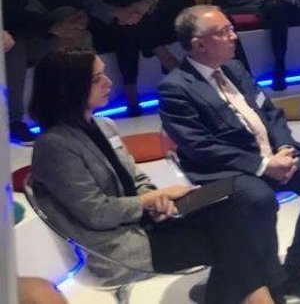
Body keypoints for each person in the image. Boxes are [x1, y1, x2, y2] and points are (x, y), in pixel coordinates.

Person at [28, 47, 275, 304]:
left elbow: (136, 179)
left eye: (104, 74)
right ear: (68, 89)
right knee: (234, 241)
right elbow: (95, 213)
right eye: (96, 78)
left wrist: (157, 201)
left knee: (233, 207)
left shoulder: (104, 125)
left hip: (143, 222)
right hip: (113, 247)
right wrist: (149, 200)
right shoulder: (55, 146)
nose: (109, 82)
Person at [158, 6, 300, 302]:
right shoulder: (175, 88)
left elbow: (271, 112)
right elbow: (200, 146)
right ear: (198, 44)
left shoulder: (235, 69)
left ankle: (296, 266)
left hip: (271, 155)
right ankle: (271, 282)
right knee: (259, 199)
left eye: (231, 28)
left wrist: (284, 147)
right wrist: (263, 165)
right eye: (224, 32)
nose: (234, 36)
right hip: (223, 170)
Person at [1, 0, 91, 144]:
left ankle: (74, 108)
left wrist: (78, 14)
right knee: (13, 50)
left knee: (77, 28)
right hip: (16, 28)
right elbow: (8, 12)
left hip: (45, 21)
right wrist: (50, 28)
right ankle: (15, 121)